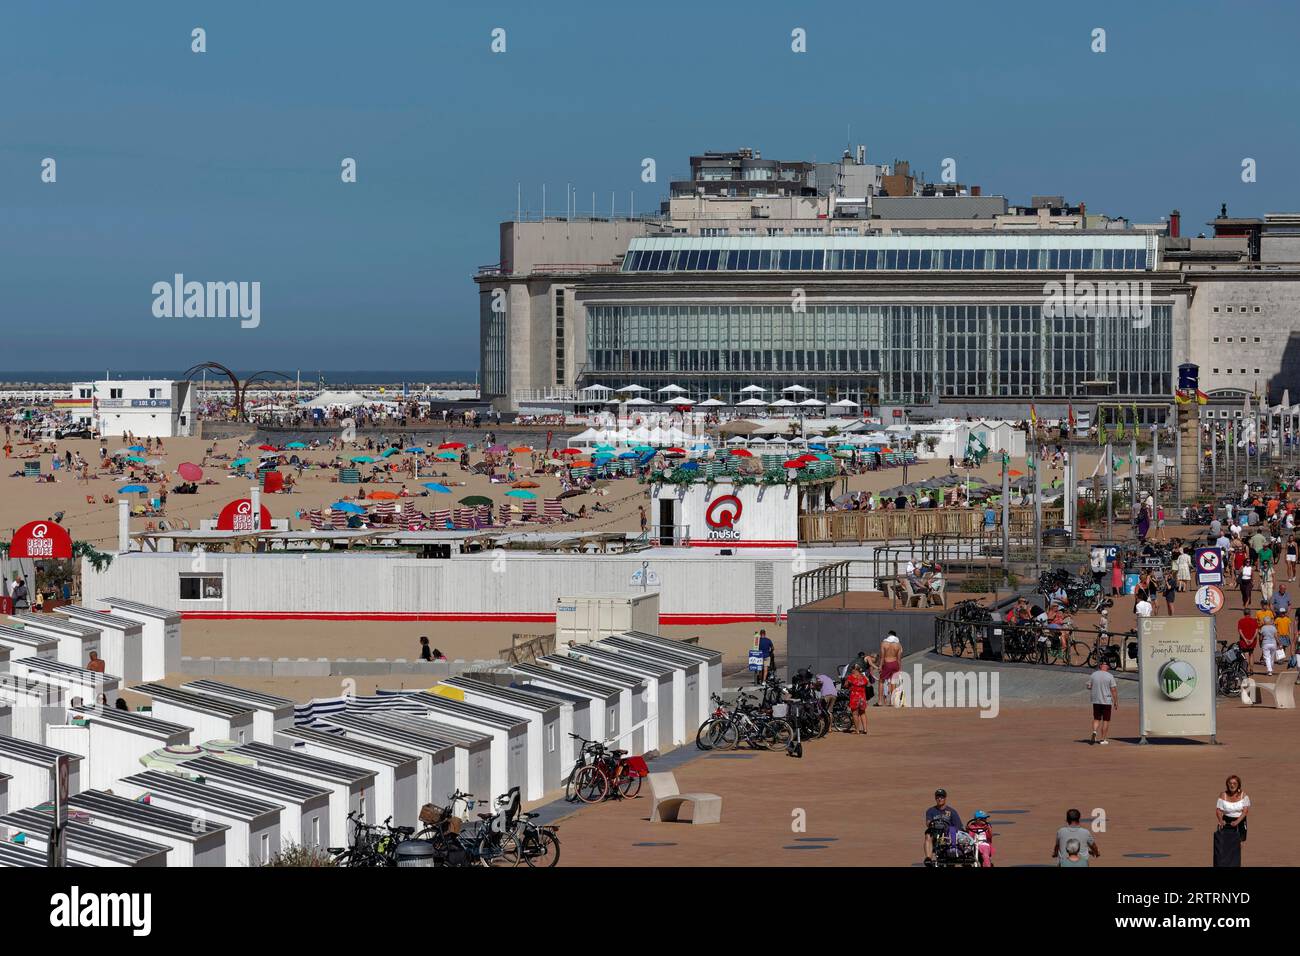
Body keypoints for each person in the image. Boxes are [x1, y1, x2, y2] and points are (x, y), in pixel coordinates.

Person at [923, 789, 962, 863]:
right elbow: (928, 822)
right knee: (928, 834)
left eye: (942, 797)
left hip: (948, 834)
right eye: (938, 797)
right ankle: (928, 858)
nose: (940, 799)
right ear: (935, 798)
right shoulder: (930, 811)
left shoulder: (951, 811)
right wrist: (932, 824)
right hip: (935, 833)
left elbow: (958, 826)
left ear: (945, 798)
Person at [1216, 774, 1250, 857]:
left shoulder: (1243, 795)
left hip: (1240, 820)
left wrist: (1237, 821)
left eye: (1235, 783)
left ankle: (1234, 861)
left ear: (1238, 784)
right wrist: (1221, 820)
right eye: (1230, 783)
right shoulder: (1223, 795)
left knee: (1238, 844)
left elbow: (1245, 811)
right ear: (1227, 784)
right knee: (1225, 843)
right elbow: (1219, 810)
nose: (1232, 785)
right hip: (1226, 821)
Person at [1086, 661, 1118, 745]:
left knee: (1096, 718)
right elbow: (1113, 690)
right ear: (1107, 667)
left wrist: (1094, 687)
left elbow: (1089, 686)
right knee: (1106, 720)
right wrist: (1115, 701)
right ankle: (1103, 739)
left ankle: (1094, 731)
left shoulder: (1093, 675)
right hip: (1106, 701)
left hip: (1096, 700)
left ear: (1100, 666)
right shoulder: (1110, 676)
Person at [844, 663, 870, 735]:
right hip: (862, 697)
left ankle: (857, 730)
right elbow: (867, 684)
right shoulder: (863, 677)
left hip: (854, 697)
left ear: (854, 669)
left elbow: (845, 685)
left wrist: (847, 683)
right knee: (863, 713)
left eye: (852, 669)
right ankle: (865, 729)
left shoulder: (851, 677)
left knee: (855, 714)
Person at [877, 632, 902, 706]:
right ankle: (892, 701)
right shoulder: (898, 645)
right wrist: (900, 669)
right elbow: (899, 658)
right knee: (893, 682)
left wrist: (880, 666)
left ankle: (880, 701)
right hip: (895, 663)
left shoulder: (884, 643)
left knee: (881, 681)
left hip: (887, 663)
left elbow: (882, 657)